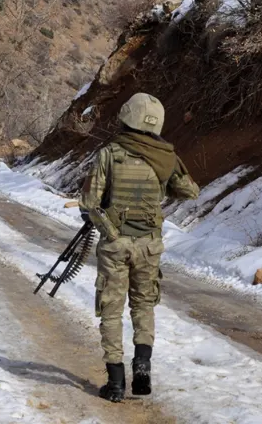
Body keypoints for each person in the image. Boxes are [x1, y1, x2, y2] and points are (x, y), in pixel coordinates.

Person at [79, 93, 199, 403]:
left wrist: (111, 231)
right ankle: (142, 363)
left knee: (111, 310)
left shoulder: (109, 153)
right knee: (144, 306)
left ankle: (116, 381)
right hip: (150, 245)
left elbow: (91, 203)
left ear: (126, 117)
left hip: (116, 246)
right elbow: (190, 191)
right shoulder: (165, 156)